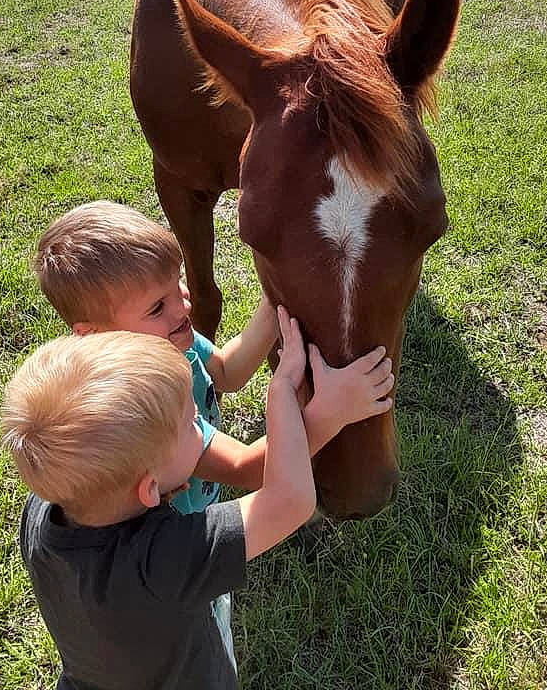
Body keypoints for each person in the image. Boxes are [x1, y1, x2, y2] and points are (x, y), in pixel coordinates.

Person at [32, 201, 393, 659]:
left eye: (176, 281)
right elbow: (250, 469)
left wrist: (274, 299)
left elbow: (226, 370)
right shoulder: (149, 413)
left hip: (182, 538)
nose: (183, 303)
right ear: (94, 333)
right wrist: (330, 413)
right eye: (157, 305)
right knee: (200, 632)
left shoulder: (170, 341)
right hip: (175, 548)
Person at [0, 309, 394, 689]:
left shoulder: (42, 513)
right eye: (192, 424)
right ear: (149, 488)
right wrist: (287, 395)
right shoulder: (162, 562)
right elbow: (288, 501)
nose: (201, 425)